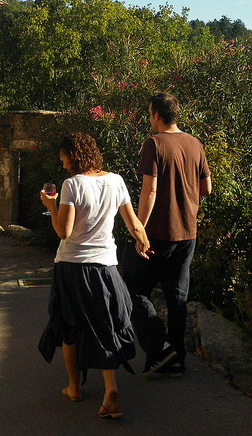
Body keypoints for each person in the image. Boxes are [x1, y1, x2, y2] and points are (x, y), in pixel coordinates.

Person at [38, 132, 152, 419]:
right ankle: (110, 387)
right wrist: (142, 240)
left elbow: (64, 232)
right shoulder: (116, 181)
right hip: (105, 268)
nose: (64, 166)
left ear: (73, 157)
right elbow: (133, 223)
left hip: (72, 267)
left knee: (68, 327)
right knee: (105, 326)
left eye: (64, 160)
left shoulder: (71, 185)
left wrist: (51, 207)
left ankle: (74, 388)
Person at [122, 92, 211, 378]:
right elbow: (206, 188)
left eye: (149, 114)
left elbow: (150, 190)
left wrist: (139, 230)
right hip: (188, 233)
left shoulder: (154, 144)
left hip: (159, 232)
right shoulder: (195, 144)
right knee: (177, 298)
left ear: (157, 115)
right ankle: (177, 359)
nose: (149, 119)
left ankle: (159, 348)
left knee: (132, 290)